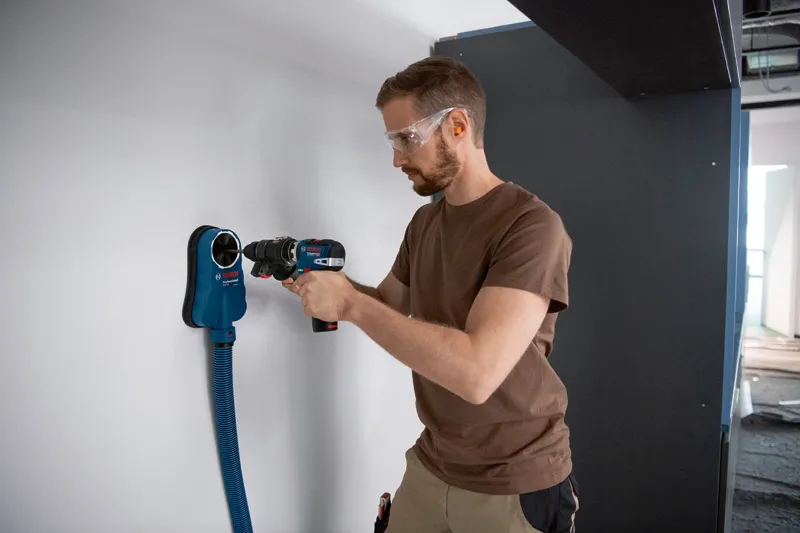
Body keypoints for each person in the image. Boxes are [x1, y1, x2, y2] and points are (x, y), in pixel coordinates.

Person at [284, 56, 579, 533]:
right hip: (432, 463)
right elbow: (389, 308)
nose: (397, 159)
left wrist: (350, 304)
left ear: (458, 125)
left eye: (406, 138)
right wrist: (330, 287)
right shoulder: (425, 223)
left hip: (515, 479)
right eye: (392, 141)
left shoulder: (530, 226)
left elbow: (476, 372)